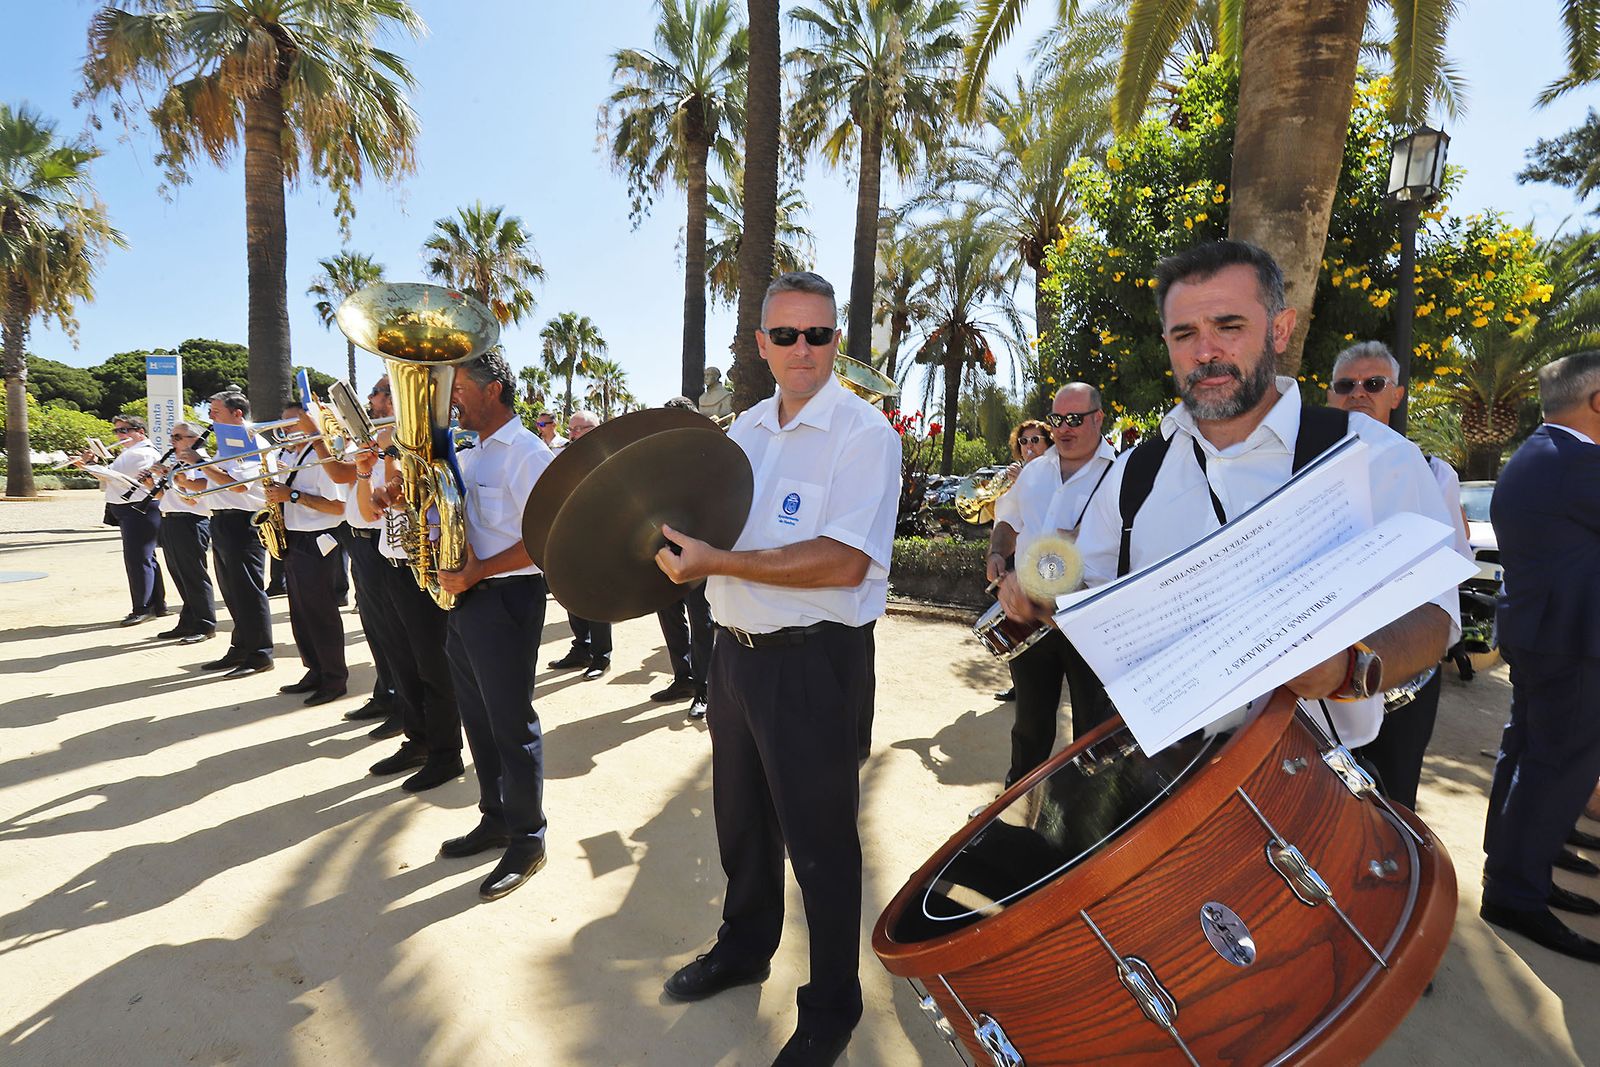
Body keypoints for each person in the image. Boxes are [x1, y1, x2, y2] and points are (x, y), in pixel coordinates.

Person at [1072, 239, 1458, 805]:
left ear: (1280, 330)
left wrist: (1347, 668)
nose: (1205, 351)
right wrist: (1039, 589)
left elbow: (1435, 617)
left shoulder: (1373, 455)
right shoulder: (1135, 472)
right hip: (1162, 784)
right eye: (1184, 334)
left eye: (1228, 326)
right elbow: (1087, 585)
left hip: (1313, 787)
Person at [655, 271, 900, 1067]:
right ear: (761, 345)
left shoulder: (865, 435)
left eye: (819, 334)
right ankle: (745, 945)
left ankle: (832, 1006)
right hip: (735, 656)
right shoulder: (744, 431)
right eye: (787, 335)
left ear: (837, 340)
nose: (804, 350)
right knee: (742, 824)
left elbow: (840, 562)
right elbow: (697, 525)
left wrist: (718, 559)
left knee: (821, 844)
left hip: (815, 664)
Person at [1480, 350, 1600, 963]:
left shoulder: (1537, 452)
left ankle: (1519, 855)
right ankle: (1515, 891)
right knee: (1560, 764)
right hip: (1571, 640)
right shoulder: (1579, 465)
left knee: (1527, 749)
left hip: (1539, 632)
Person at [1325, 340, 1472, 810]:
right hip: (1322, 687)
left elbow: (1447, 573)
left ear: (1397, 394)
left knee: (1392, 805)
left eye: (1373, 384)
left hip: (1402, 679)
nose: (1358, 394)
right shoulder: (1304, 470)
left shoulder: (1433, 473)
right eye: (1346, 385)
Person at [435, 349, 555, 902]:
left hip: (508, 597)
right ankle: (496, 817)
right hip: (470, 598)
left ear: (494, 389)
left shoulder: (527, 453)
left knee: (509, 720)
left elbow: (546, 540)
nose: (450, 399)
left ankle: (528, 839)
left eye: (459, 388)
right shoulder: (474, 451)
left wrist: (480, 568)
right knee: (476, 716)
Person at [990, 385, 1118, 785]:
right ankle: (1017, 808)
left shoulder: (1121, 472)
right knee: (1029, 726)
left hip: (1088, 619)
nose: (1064, 428)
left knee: (1093, 731)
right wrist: (997, 552)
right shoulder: (1035, 471)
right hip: (1032, 617)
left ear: (1098, 418)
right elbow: (1009, 519)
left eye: (1075, 419)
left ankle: (1090, 830)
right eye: (1058, 420)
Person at [352, 389, 465, 793]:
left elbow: (439, 503)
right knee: (402, 663)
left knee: (433, 667)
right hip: (392, 566)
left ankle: (446, 754)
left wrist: (390, 460)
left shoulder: (432, 445)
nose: (379, 400)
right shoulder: (390, 450)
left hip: (425, 566)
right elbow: (369, 512)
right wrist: (368, 472)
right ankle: (418, 741)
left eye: (385, 393)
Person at [173, 390, 274, 678]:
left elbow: (241, 486)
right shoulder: (227, 443)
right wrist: (186, 482)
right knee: (232, 591)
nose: (210, 416)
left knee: (248, 591)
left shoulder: (249, 440)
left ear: (237, 413)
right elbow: (216, 482)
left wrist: (201, 463)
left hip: (243, 522)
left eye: (216, 410)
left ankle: (260, 654)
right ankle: (241, 647)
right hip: (223, 520)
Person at [319, 378, 401, 724]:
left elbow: (390, 490)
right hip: (359, 540)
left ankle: (402, 702)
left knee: (391, 629)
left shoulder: (397, 437)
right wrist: (319, 435)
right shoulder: (368, 435)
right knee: (374, 626)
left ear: (393, 400)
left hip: (381, 542)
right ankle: (386, 693)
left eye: (376, 392)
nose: (369, 397)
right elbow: (342, 474)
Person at [263, 403, 349, 706]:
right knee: (300, 612)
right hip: (295, 537)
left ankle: (334, 678)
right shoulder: (286, 454)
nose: (285, 428)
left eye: (293, 422)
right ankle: (314, 670)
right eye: (283, 423)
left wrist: (292, 496)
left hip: (319, 539)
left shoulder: (319, 458)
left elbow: (338, 507)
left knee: (321, 613)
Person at [653, 397, 717, 719]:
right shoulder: (658, 458)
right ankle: (683, 678)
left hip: (696, 550)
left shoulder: (704, 457)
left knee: (700, 619)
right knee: (669, 615)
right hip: (663, 549)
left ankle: (705, 689)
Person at [80, 414, 167, 625]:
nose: (120, 434)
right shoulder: (131, 452)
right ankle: (156, 604)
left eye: (124, 430)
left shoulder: (141, 453)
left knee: (138, 559)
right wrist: (91, 464)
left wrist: (89, 464)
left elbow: (113, 476)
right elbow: (111, 476)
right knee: (145, 558)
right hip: (130, 509)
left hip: (138, 509)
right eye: (117, 431)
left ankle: (142, 608)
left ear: (140, 432)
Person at [991, 417, 1053, 703]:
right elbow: (1005, 520)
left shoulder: (1058, 471)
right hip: (1023, 564)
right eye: (1024, 441)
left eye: (1035, 440)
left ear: (1048, 442)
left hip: (1057, 572)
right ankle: (1020, 685)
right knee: (1019, 627)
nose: (1028, 446)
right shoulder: (1015, 478)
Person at [547, 410, 612, 680]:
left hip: (596, 537)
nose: (571, 434)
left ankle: (601, 656)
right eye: (571, 428)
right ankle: (581, 648)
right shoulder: (565, 456)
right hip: (567, 536)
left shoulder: (607, 455)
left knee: (595, 598)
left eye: (578, 429)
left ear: (594, 429)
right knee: (571, 594)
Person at [143, 422, 216, 643]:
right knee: (180, 575)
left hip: (191, 522)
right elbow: (167, 498)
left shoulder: (202, 462)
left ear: (194, 438)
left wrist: (175, 477)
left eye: (178, 437)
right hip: (171, 520)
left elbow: (195, 498)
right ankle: (188, 621)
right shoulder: (180, 462)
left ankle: (205, 625)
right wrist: (152, 484)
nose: (172, 441)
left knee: (194, 576)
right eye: (172, 437)